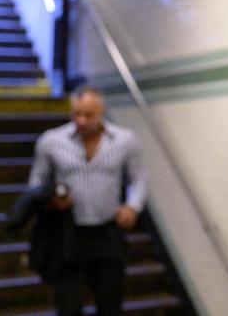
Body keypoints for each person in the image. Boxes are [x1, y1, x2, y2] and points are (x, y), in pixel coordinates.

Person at [28, 85, 148, 316]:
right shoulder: (51, 141)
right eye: (76, 114)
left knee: (110, 304)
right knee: (68, 306)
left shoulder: (125, 141)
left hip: (107, 233)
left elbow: (138, 178)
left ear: (101, 113)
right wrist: (50, 199)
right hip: (68, 234)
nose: (81, 120)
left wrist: (133, 206)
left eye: (88, 115)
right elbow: (36, 183)